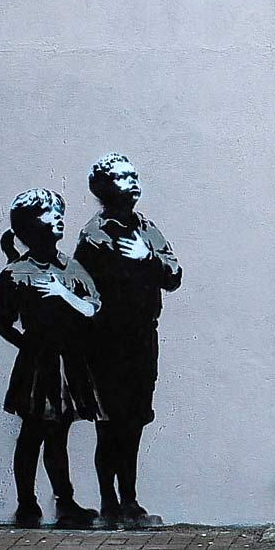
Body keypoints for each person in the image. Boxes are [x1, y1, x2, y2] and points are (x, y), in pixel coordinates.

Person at [74, 153, 182, 524]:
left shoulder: (147, 229)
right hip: (106, 342)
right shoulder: (95, 235)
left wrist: (146, 257)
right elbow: (87, 288)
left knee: (134, 420)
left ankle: (130, 500)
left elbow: (173, 275)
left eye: (133, 175)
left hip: (142, 338)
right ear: (104, 187)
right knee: (109, 423)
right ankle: (110, 503)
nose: (132, 182)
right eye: (122, 177)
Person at [0, 189, 101, 527]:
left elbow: (92, 308)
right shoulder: (16, 273)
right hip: (38, 366)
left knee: (59, 435)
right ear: (29, 225)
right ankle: (27, 503)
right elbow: (3, 323)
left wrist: (63, 293)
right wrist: (30, 347)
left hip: (67, 364)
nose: (58, 217)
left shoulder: (72, 268)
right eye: (47, 212)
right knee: (32, 434)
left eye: (59, 211)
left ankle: (65, 502)